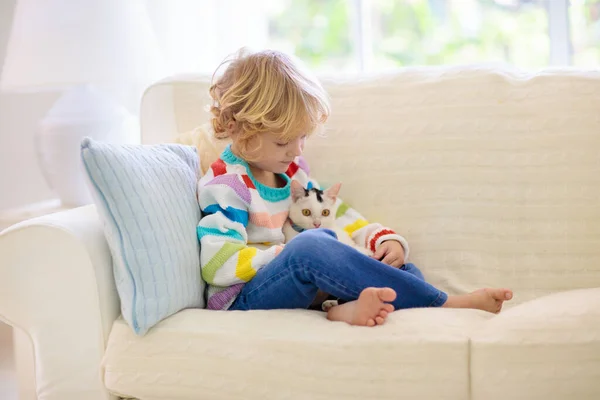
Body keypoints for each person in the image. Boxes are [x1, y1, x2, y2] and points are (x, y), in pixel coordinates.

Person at [196, 49, 513, 327]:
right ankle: (445, 303)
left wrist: (380, 238)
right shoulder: (228, 184)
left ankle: (342, 310)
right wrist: (286, 254)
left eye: (303, 137)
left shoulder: (293, 172)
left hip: (299, 285)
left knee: (398, 267)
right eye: (283, 142)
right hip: (243, 301)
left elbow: (336, 213)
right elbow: (217, 264)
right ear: (242, 131)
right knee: (311, 247)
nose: (297, 150)